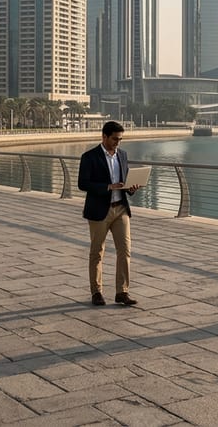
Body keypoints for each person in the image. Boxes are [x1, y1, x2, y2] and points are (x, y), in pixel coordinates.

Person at [78, 121, 140, 306]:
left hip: (121, 209)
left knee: (125, 251)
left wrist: (131, 188)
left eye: (120, 139)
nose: (117, 143)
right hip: (99, 210)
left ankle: (122, 292)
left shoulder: (122, 155)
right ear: (104, 136)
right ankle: (96, 292)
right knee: (97, 252)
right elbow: (83, 183)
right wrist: (107, 187)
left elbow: (124, 180)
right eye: (114, 139)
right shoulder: (89, 157)